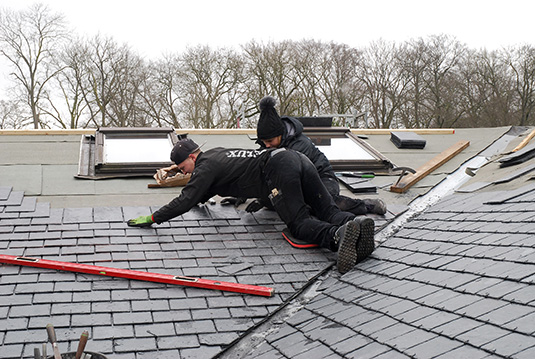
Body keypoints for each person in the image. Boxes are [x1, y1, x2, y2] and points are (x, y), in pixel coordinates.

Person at [127, 138, 375, 274]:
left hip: (278, 170)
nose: (185, 173)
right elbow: (209, 188)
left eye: (183, 169)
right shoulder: (216, 153)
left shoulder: (205, 168)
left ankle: (336, 237)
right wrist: (204, 196)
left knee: (298, 223)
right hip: (296, 158)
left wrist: (153, 218)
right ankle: (355, 227)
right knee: (327, 209)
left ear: (192, 157)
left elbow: (186, 199)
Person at [254, 96, 387, 216]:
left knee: (323, 202)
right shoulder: (269, 145)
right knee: (276, 201)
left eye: (270, 141)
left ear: (280, 134)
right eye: (264, 142)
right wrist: (244, 193)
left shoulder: (299, 145)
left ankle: (367, 205)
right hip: (297, 183)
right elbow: (258, 169)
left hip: (322, 177)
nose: (266, 146)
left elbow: (290, 179)